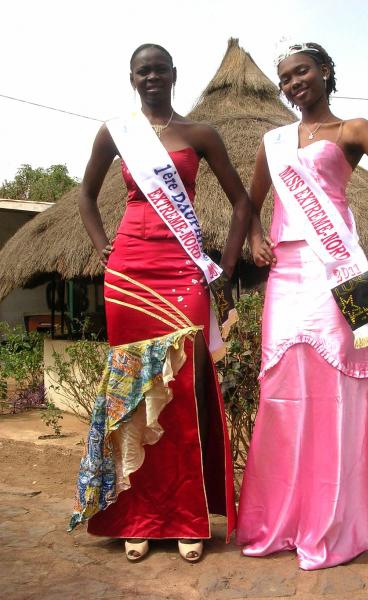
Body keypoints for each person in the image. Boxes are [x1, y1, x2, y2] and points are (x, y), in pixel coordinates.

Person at [236, 42, 368, 570]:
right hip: (284, 279)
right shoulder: (273, 141)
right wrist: (254, 236)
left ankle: (336, 522)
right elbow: (249, 201)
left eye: (302, 72)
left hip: (336, 274)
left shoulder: (353, 130)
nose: (294, 83)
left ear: (325, 72)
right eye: (286, 78)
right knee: (281, 396)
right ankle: (283, 520)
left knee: (337, 393)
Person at [70, 43, 251, 563]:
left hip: (183, 270)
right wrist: (100, 246)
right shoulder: (115, 132)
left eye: (160, 70)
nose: (152, 77)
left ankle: (187, 515)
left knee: (185, 389)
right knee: (133, 390)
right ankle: (137, 516)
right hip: (129, 271)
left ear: (174, 75)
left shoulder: (200, 134)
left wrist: (226, 267)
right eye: (142, 70)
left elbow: (242, 202)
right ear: (132, 77)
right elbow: (85, 194)